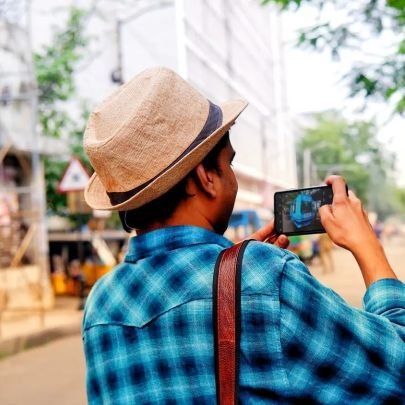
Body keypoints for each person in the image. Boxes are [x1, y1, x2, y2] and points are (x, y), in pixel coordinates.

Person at [81, 67, 404, 404]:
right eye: (229, 162)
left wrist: (229, 276)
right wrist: (368, 247)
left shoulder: (101, 303)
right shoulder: (264, 275)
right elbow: (397, 373)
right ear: (206, 176)